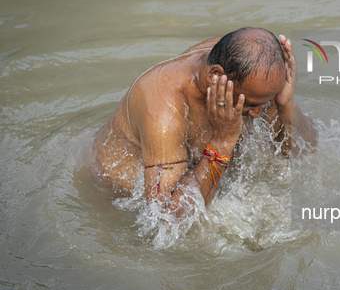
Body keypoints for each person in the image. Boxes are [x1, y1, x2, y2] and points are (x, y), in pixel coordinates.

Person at [89, 27, 317, 216]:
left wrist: (286, 104)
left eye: (263, 103)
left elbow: (303, 152)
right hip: (116, 195)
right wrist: (222, 142)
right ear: (215, 77)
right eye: (250, 105)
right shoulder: (164, 109)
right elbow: (165, 219)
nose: (257, 114)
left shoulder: (247, 73)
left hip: (189, 167)